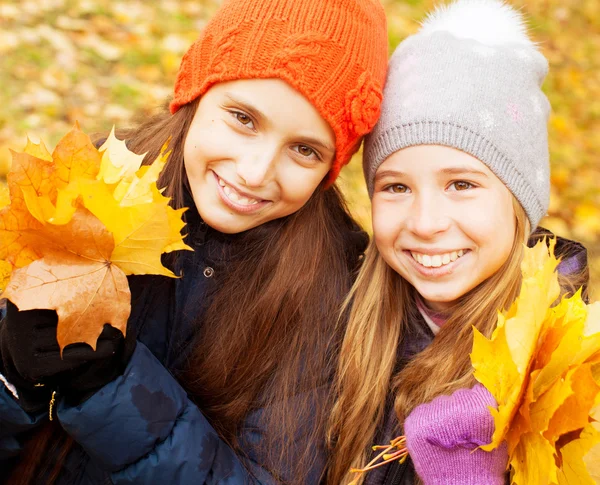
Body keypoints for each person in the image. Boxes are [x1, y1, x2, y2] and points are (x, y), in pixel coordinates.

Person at [0, 0, 388, 483]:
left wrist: (111, 392)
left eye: (305, 150)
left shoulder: (330, 298)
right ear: (194, 93)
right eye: (244, 119)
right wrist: (16, 383)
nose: (254, 172)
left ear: (331, 170)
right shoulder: (89, 194)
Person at [326, 1, 590, 484]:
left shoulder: (577, 375)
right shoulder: (340, 325)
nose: (426, 223)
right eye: (396, 187)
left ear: (519, 202)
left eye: (462, 185)